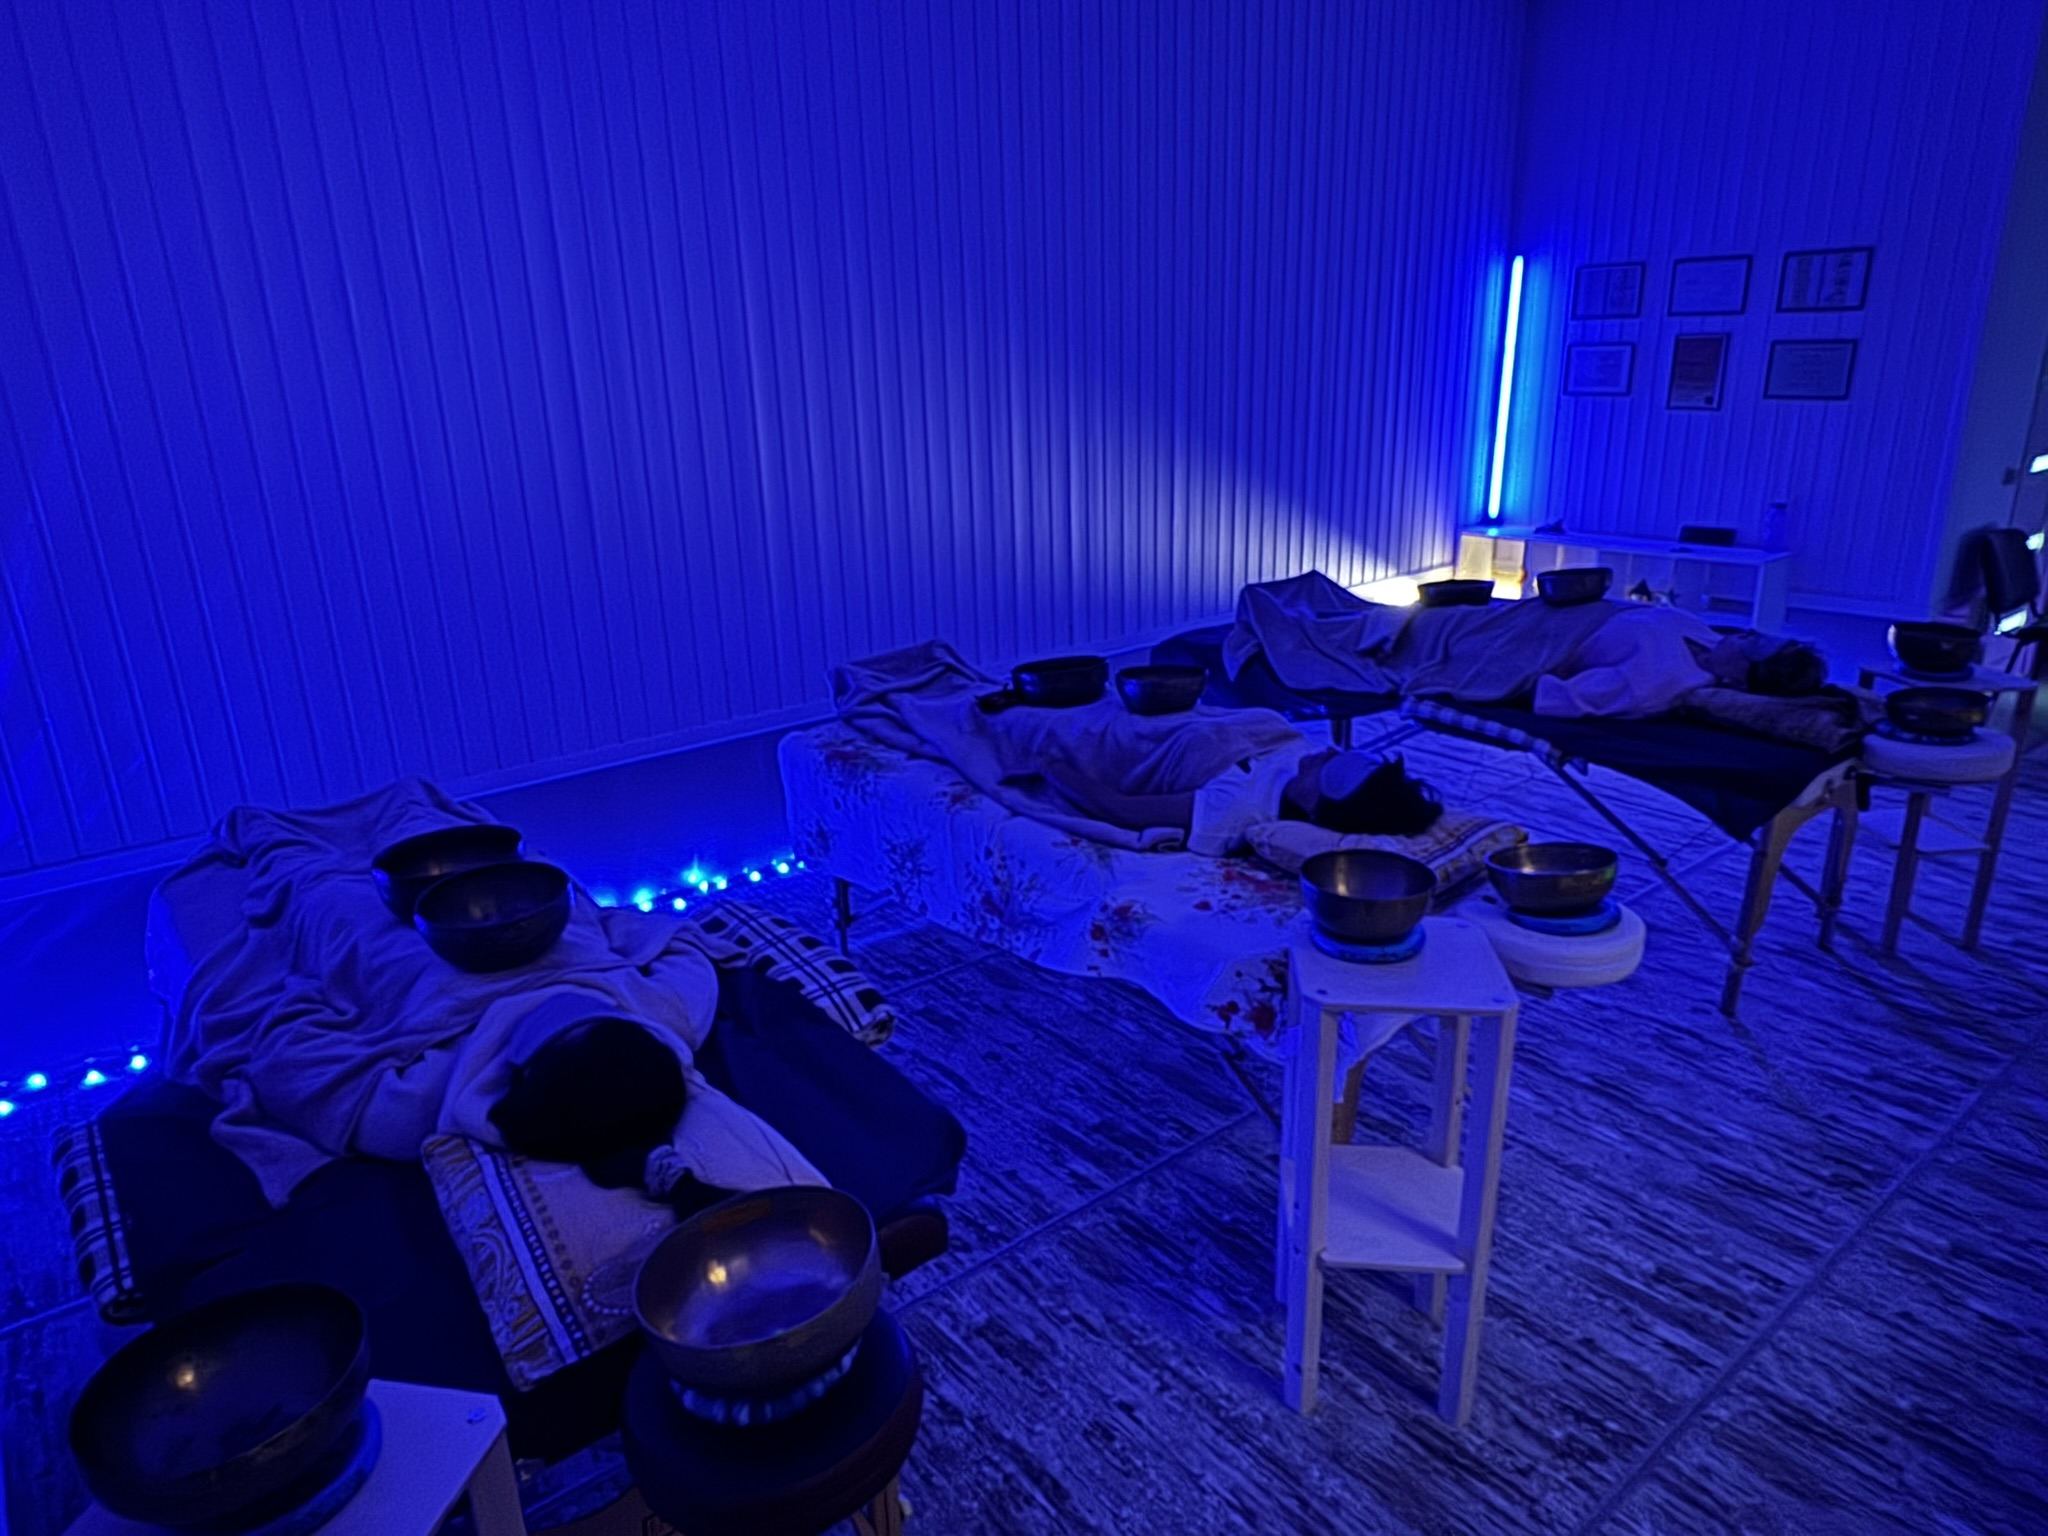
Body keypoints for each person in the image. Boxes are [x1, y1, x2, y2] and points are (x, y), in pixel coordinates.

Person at [1041, 744, 1443, 855]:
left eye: (1333, 766)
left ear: (1314, 804)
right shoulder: (1301, 768)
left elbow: (1118, 808)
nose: (1328, 751)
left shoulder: (1234, 811)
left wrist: (1046, 763)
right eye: (1342, 752)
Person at [1531, 605, 1825, 719]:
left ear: (1738, 682)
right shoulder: (1704, 634)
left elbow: (1557, 697)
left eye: (1752, 644)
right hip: (1556, 608)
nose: (1746, 632)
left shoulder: (1658, 681)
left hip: (1539, 639)